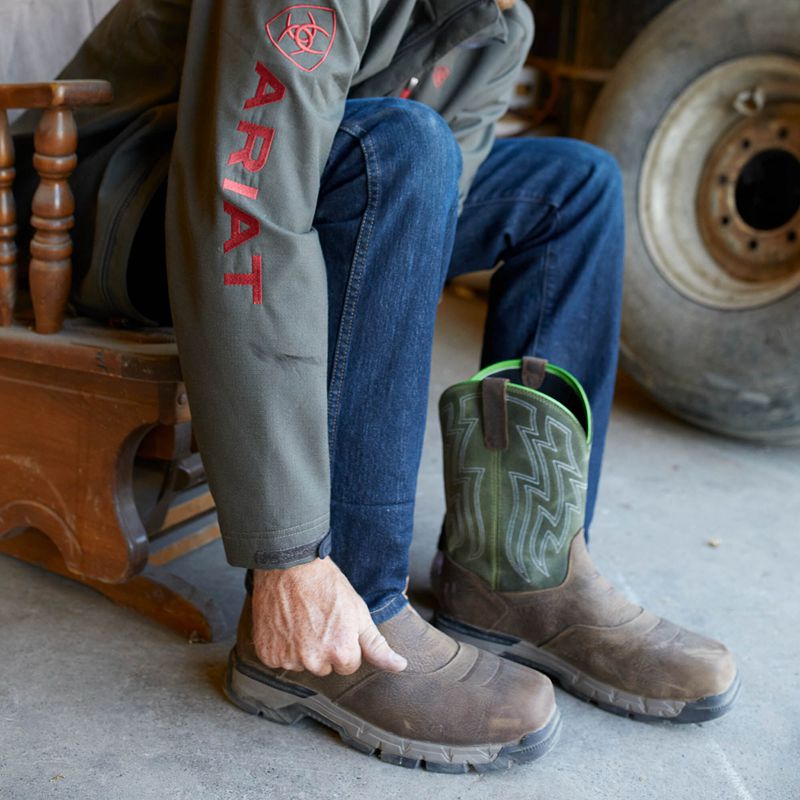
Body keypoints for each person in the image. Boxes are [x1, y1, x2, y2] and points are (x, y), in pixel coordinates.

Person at [26, 0, 738, 773]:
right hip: (124, 200)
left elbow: (428, 219)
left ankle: (516, 569)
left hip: (295, 178)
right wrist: (288, 555)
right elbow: (241, 211)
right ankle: (344, 614)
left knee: (575, 185)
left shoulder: (499, 23)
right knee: (401, 148)